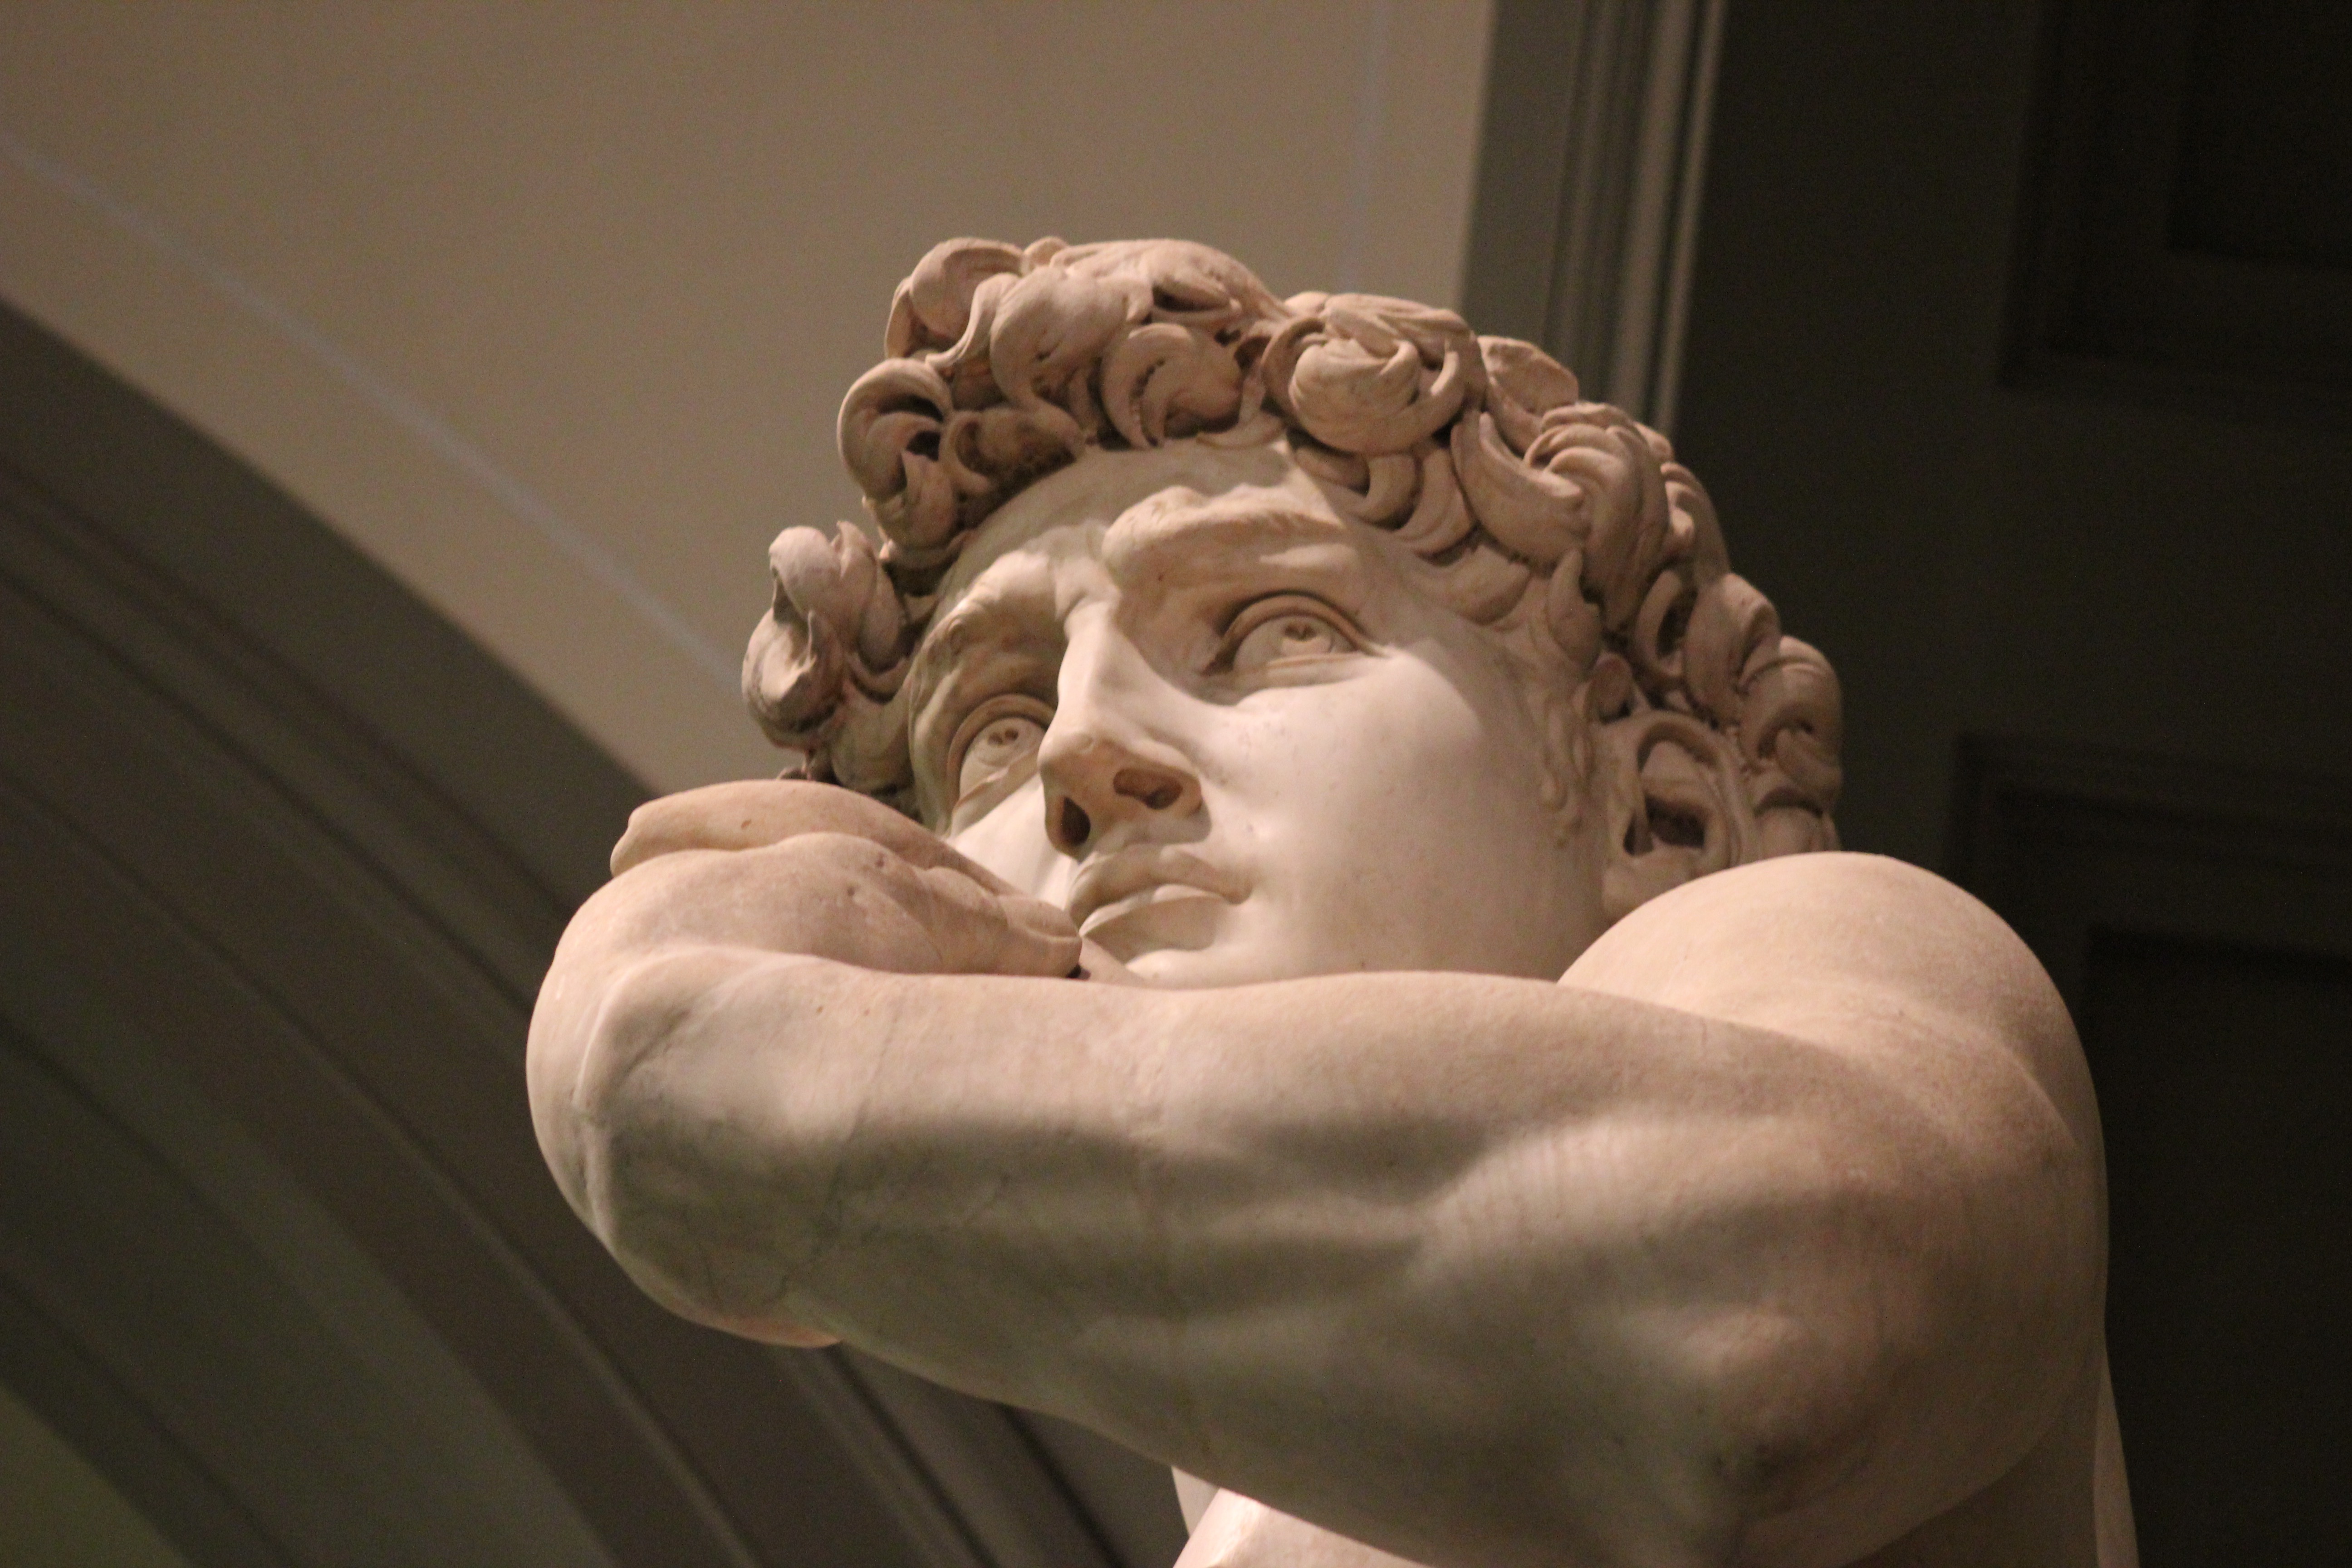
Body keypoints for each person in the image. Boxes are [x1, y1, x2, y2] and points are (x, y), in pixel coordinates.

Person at [527, 239, 2133, 1568]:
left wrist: (714, 1062)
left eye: (1273, 628)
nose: (1085, 749)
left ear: (1659, 808)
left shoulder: (1816, 960)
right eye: (998, 734)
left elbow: (1768, 1306)